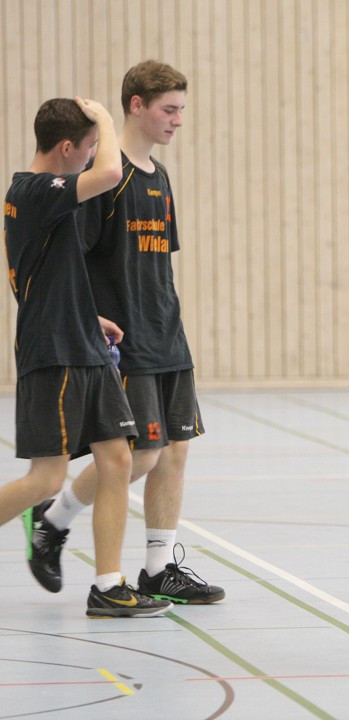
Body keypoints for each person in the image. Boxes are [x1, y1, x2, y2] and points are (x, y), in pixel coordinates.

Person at [24, 61, 224, 605]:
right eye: (169, 109)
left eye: (182, 109)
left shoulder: (159, 178)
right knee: (139, 456)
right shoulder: (105, 176)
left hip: (167, 332)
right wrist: (92, 323)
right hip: (122, 336)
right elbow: (73, 261)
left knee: (177, 450)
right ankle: (54, 518)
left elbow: (159, 261)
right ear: (135, 105)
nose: (178, 120)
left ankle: (159, 567)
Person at [4, 97, 171, 617]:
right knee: (46, 479)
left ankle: (108, 583)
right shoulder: (34, 190)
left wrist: (87, 316)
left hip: (82, 342)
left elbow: (46, 272)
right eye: (91, 146)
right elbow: (109, 174)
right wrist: (102, 113)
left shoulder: (43, 197)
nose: (95, 154)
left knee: (119, 458)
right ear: (67, 148)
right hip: (53, 352)